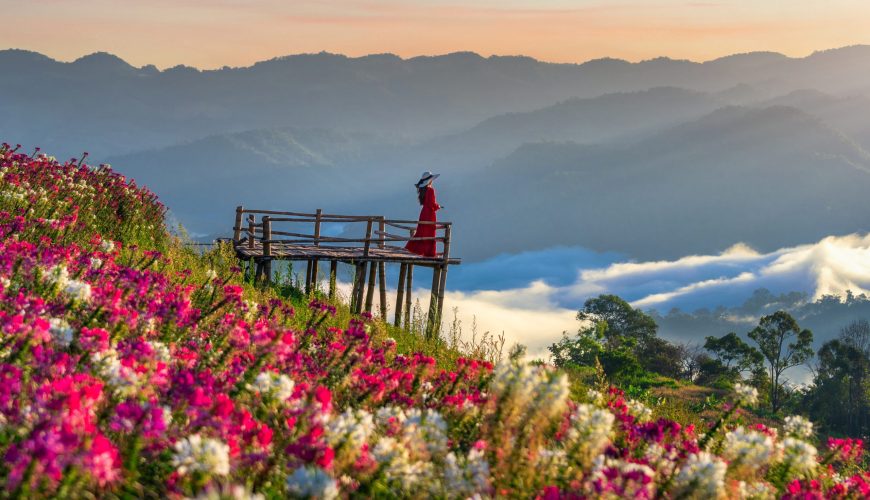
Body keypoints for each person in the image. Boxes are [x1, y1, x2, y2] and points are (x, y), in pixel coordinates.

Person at [405, 171, 442, 257]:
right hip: (429, 213)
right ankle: (429, 252)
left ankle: (416, 249)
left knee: (422, 231)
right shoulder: (431, 190)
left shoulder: (423, 190)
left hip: (424, 213)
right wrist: (438, 206)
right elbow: (432, 204)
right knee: (430, 231)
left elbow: (427, 203)